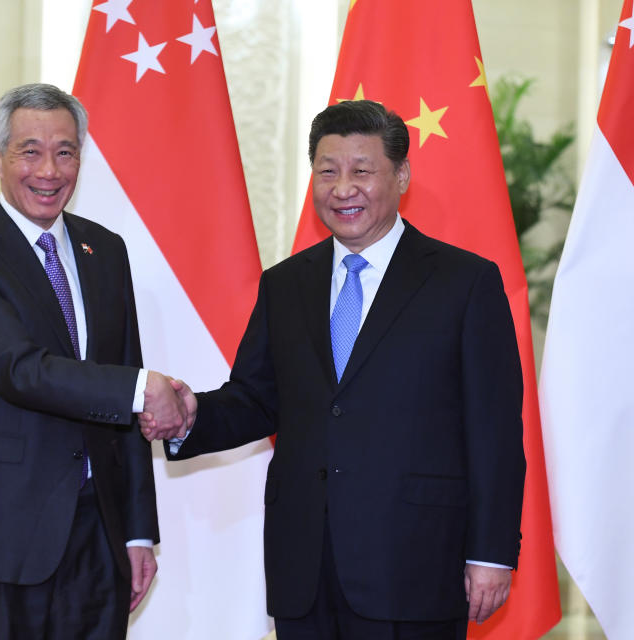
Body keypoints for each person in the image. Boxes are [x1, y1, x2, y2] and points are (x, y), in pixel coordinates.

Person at [142, 100, 526, 639]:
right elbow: (256, 398)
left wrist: (491, 552)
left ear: (402, 176)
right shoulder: (286, 284)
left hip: (415, 563)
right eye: (328, 171)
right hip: (305, 568)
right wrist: (189, 416)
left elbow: (495, 431)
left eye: (362, 171)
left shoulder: (464, 283)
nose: (343, 188)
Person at [0, 83, 186, 638]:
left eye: (65, 152)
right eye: (30, 151)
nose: (50, 170)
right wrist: (143, 389)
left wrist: (138, 532)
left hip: (99, 533)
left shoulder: (105, 248)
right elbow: (18, 369)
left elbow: (123, 372)